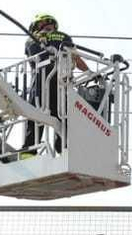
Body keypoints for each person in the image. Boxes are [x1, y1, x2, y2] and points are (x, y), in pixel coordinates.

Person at [21, 12, 90, 153]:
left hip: (54, 84)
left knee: (61, 117)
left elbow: (76, 58)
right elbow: (36, 54)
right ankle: (34, 151)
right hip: (47, 84)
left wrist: (90, 73)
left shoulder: (60, 41)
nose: (48, 28)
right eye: (45, 25)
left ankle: (61, 148)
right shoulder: (33, 40)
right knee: (41, 117)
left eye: (50, 25)